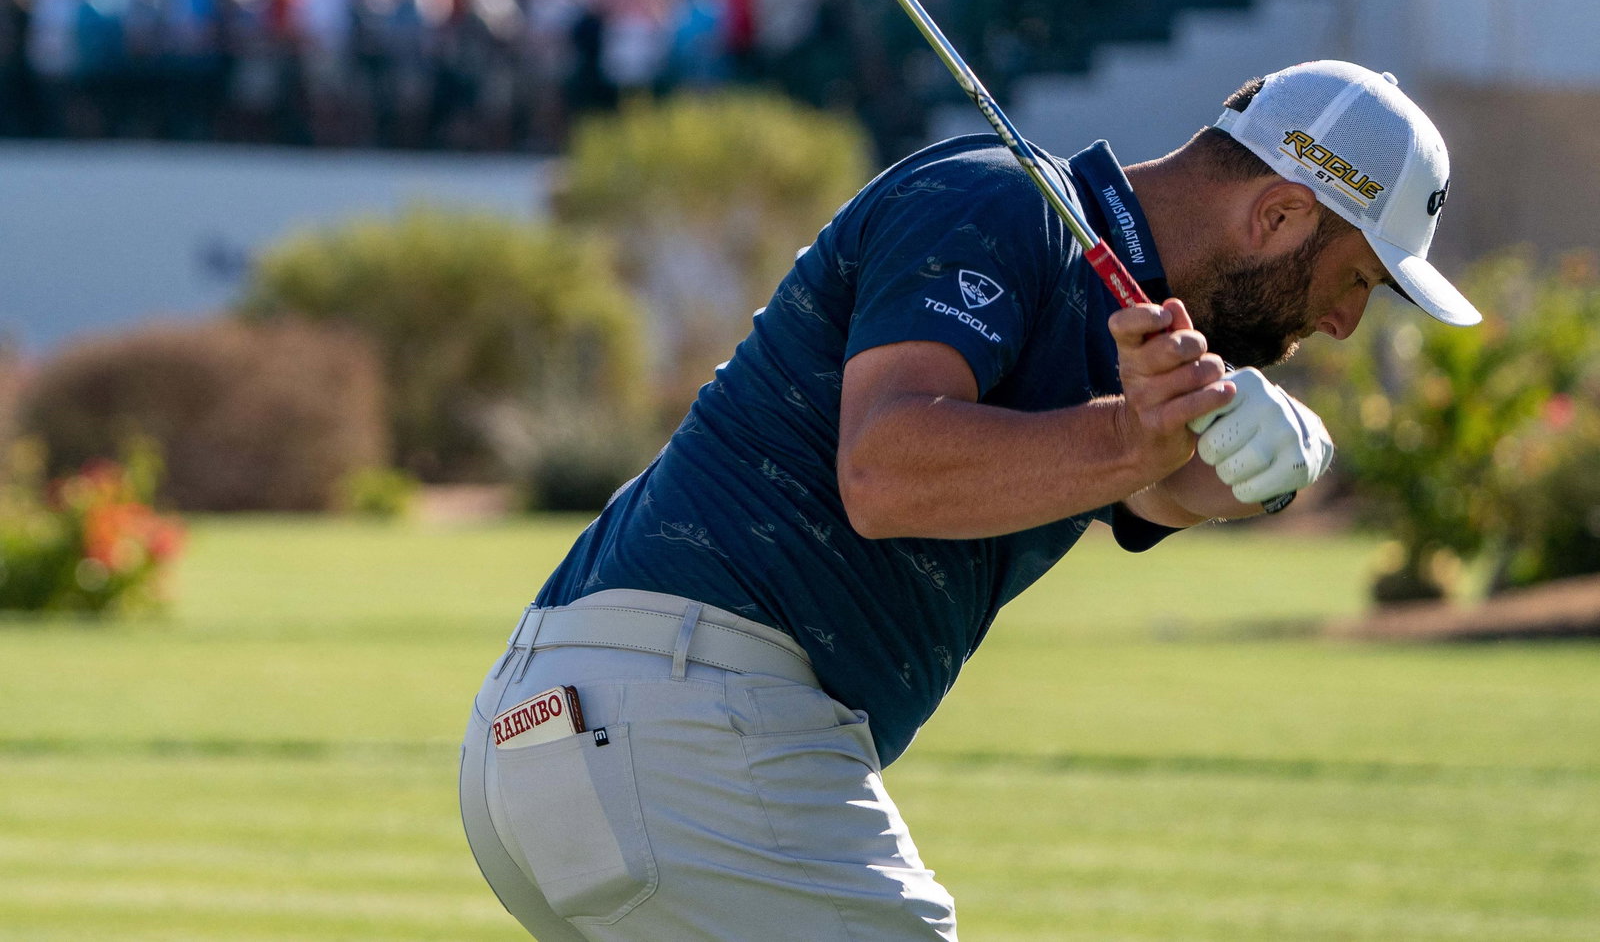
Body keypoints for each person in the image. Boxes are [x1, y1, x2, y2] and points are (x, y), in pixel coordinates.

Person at [458, 59, 1481, 941]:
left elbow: (1161, 486)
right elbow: (888, 469)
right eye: (1357, 279)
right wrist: (1135, 432)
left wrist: (1279, 452)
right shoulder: (1000, 201)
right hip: (684, 722)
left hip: (585, 739)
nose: (1345, 323)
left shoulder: (1114, 315)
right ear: (1277, 214)